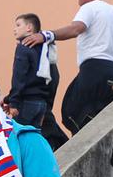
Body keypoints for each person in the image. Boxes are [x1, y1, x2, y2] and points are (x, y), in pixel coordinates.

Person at [22, 0, 113, 133]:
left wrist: (46, 35)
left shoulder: (89, 8)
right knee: (97, 114)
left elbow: (75, 29)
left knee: (70, 111)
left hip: (93, 70)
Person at [5, 13, 69, 150]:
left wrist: (14, 102)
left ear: (29, 28)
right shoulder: (45, 50)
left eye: (18, 25)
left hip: (26, 103)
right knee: (38, 139)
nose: (14, 29)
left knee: (21, 142)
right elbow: (54, 77)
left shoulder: (23, 48)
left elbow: (19, 77)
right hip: (41, 104)